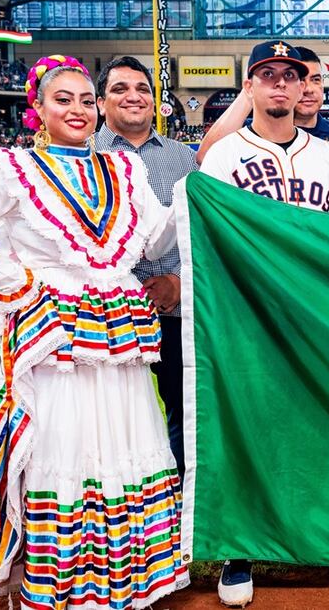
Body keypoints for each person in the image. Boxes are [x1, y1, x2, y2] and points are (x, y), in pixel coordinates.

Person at [0, 55, 187, 608]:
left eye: (87, 100)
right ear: (37, 109)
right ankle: (56, 579)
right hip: (49, 330)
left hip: (118, 329)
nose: (78, 109)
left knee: (124, 435)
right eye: (62, 99)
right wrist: (11, 280)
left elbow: (155, 233)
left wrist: (195, 194)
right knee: (58, 441)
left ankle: (126, 577)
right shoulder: (7, 167)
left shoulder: (123, 171)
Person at [200, 40, 329, 608]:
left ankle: (327, 536)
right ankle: (239, 549)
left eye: (289, 76)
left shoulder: (327, 155)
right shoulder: (224, 156)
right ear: (252, 87)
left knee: (323, 423)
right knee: (246, 427)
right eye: (267, 75)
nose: (280, 85)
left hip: (313, 313)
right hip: (248, 313)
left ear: (301, 86)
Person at [94, 55, 199, 479]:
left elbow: (199, 231)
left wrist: (178, 281)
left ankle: (179, 504)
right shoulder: (81, 153)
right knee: (113, 415)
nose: (133, 97)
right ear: (100, 103)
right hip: (105, 314)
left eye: (143, 89)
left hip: (176, 310)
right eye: (120, 89)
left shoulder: (182, 157)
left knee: (184, 409)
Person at [195, 44, 329, 163]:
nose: (308, 89)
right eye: (298, 80)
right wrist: (250, 91)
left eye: (316, 80)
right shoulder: (251, 132)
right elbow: (205, 157)